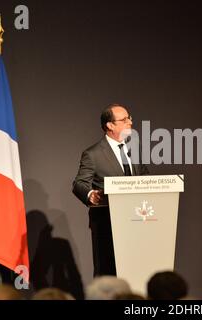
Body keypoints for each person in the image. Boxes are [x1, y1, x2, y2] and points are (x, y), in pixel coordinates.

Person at [73, 104, 149, 276]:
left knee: (136, 270)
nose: (130, 122)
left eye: (130, 118)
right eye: (124, 120)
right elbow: (79, 183)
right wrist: (90, 194)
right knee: (109, 271)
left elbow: (145, 178)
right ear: (110, 125)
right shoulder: (93, 154)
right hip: (107, 222)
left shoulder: (134, 149)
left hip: (138, 219)